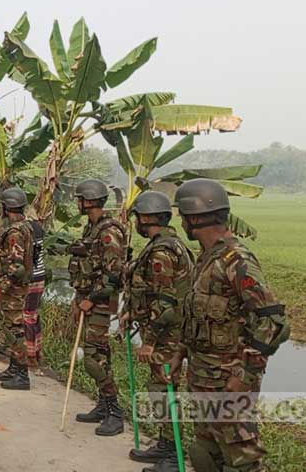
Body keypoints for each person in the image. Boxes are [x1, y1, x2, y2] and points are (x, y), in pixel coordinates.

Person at [172, 179, 289, 472]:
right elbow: (196, 316)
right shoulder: (206, 259)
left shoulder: (236, 261)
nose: (181, 222)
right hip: (203, 377)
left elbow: (273, 321)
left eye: (183, 215)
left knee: (241, 460)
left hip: (229, 380)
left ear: (196, 218)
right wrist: (179, 354)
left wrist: (245, 374)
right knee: (205, 454)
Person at [123, 191, 195, 469]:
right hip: (166, 330)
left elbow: (164, 302)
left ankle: (173, 454)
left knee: (163, 390)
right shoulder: (167, 245)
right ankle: (166, 444)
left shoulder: (162, 251)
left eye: (138, 218)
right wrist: (132, 312)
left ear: (147, 218)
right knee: (160, 389)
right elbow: (151, 292)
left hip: (167, 334)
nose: (136, 223)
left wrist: (149, 341)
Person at [68, 178, 127, 435]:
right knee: (99, 355)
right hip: (88, 299)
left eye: (81, 199)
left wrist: (91, 298)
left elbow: (113, 274)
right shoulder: (91, 228)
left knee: (94, 358)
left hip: (100, 302)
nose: (78, 203)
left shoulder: (108, 232)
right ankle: (103, 405)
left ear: (90, 201)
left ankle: (115, 411)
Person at [0, 188, 36, 391]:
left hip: (14, 290)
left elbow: (17, 267)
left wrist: (3, 289)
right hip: (16, 288)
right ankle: (14, 368)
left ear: (6, 207)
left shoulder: (15, 232)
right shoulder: (25, 227)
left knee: (15, 331)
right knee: (11, 329)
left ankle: (22, 374)